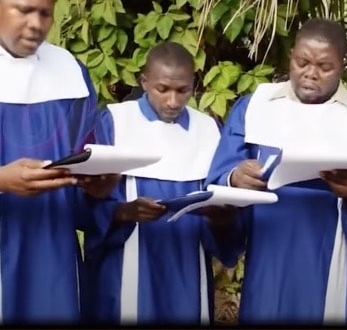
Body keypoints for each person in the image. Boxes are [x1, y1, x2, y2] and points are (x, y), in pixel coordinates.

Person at [206, 18, 347, 325]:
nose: (310, 74)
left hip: (338, 249)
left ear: (342, 64)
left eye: (324, 67)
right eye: (302, 62)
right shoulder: (256, 107)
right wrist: (235, 178)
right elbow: (220, 176)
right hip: (271, 250)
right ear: (291, 56)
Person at [81, 42, 243, 325]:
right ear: (144, 82)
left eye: (183, 90)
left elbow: (221, 199)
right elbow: (89, 197)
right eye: (162, 89)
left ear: (194, 84)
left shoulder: (208, 129)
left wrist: (221, 217)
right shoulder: (115, 122)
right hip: (128, 259)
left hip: (186, 261)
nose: (173, 101)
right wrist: (121, 212)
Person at [0, 0, 117, 324]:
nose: (36, 24)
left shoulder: (69, 71)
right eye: (23, 10)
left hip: (54, 246)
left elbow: (85, 151)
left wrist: (97, 185)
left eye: (45, 13)